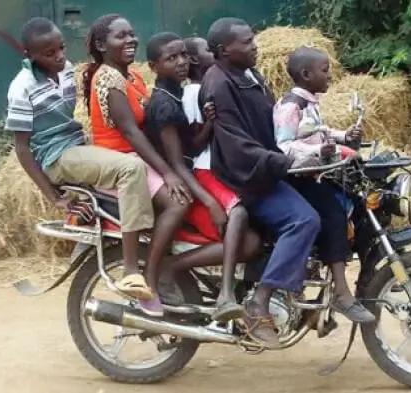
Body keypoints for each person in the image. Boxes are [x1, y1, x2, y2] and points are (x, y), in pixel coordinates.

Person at [6, 17, 156, 302]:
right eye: (50, 54)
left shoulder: (66, 72)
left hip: (77, 142)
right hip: (56, 155)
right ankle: (130, 269)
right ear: (29, 55)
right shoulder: (21, 88)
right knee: (131, 168)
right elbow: (23, 150)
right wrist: (54, 197)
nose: (60, 57)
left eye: (62, 48)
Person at [200, 17, 321, 347]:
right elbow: (236, 145)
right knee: (303, 219)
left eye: (253, 39)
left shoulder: (249, 74)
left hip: (266, 169)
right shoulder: (218, 85)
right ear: (225, 50)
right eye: (247, 41)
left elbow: (274, 123)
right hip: (247, 179)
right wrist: (282, 161)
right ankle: (260, 301)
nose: (255, 45)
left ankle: (298, 290)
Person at [143, 32, 261, 322]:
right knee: (243, 229)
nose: (182, 62)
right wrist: (209, 202)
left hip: (192, 174)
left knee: (252, 234)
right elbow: (178, 163)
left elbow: (191, 146)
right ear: (153, 66)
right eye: (172, 58)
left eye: (183, 55)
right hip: (188, 180)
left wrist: (207, 124)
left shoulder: (177, 94)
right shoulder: (164, 104)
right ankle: (187, 276)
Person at [82, 14, 194, 317]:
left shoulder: (132, 76)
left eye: (132, 34)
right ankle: (150, 281)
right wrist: (169, 173)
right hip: (121, 162)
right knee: (177, 202)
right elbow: (131, 132)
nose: (130, 40)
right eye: (121, 36)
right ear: (102, 44)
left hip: (137, 157)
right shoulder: (107, 78)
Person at [273, 46, 375, 323]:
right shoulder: (290, 106)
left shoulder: (310, 102)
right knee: (332, 215)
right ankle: (341, 293)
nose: (330, 76)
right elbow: (283, 148)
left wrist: (344, 136)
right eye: (325, 71)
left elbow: (319, 132)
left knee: (353, 204)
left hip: (316, 173)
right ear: (306, 74)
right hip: (297, 179)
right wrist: (320, 152)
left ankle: (336, 289)